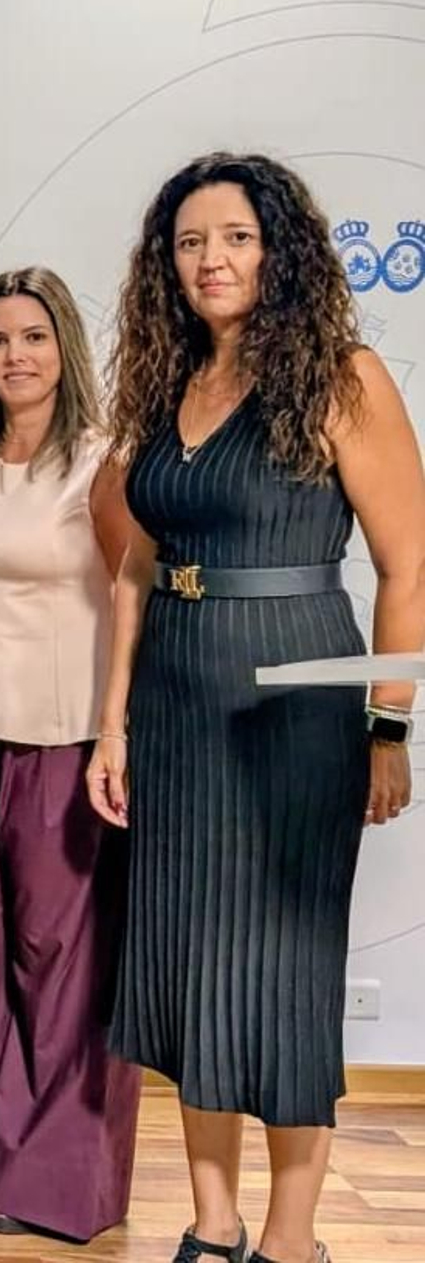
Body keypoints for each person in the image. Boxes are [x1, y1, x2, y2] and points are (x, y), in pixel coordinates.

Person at [86, 152, 425, 1263]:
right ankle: (210, 1222)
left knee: (281, 967)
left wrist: (388, 726)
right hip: (177, 701)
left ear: (276, 249)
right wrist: (112, 721)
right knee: (186, 963)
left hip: (291, 702)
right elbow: (134, 566)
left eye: (232, 235)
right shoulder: (168, 381)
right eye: (189, 242)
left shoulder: (342, 375)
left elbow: (408, 564)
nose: (210, 259)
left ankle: (289, 1241)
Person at [0, 267, 142, 1241]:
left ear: (63, 351)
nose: (15, 355)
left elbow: (131, 591)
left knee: (62, 961)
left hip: (63, 738)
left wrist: (114, 727)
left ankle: (48, 1176)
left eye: (33, 337)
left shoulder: (102, 459)